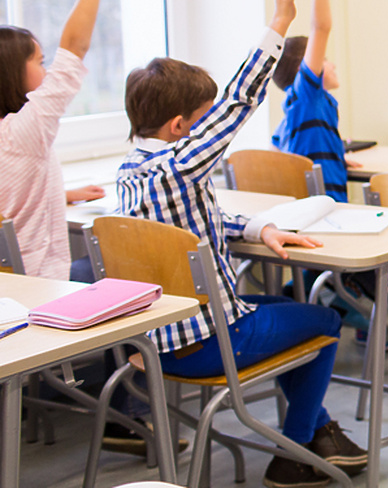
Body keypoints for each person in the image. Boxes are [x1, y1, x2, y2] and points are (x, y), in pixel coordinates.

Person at [116, 1, 365, 485]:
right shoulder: (179, 165)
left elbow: (189, 219)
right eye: (203, 121)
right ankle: (295, 451)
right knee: (326, 320)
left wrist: (257, 229)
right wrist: (278, 23)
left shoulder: (134, 172)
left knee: (281, 305)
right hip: (209, 341)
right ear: (180, 128)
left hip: (154, 343)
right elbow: (238, 102)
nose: (213, 128)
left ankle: (318, 433)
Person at [0, 0, 99, 280]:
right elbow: (74, 48)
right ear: (10, 71)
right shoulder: (21, 133)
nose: (46, 71)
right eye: (40, 62)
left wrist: (60, 194)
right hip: (39, 288)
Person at [271, 0, 353, 203]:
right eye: (324, 58)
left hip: (319, 206)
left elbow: (277, 153)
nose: (331, 65)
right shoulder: (307, 98)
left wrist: (335, 157)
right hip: (327, 208)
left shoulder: (293, 113)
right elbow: (321, 28)